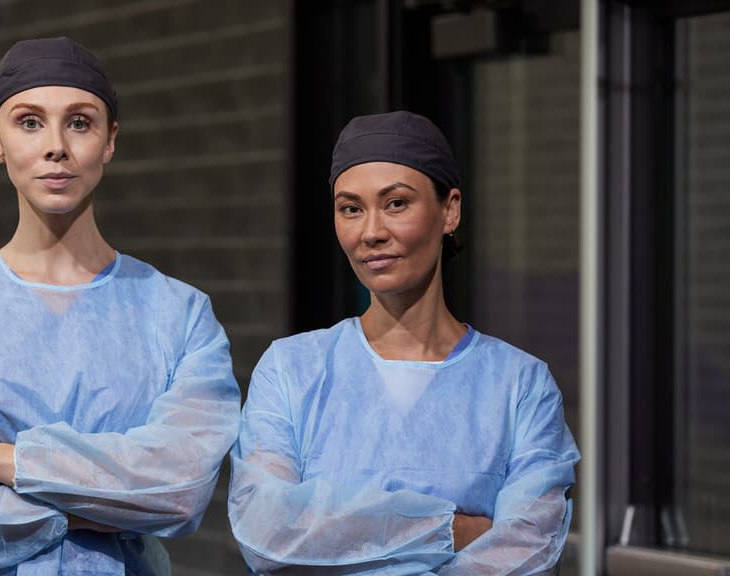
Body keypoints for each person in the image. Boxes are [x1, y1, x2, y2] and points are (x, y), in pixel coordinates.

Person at [0, 37, 240, 575]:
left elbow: (178, 487)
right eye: (29, 122)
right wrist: (92, 507)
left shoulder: (179, 315)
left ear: (110, 141)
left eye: (80, 123)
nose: (56, 145)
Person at [228, 111, 580, 574]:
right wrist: (450, 529)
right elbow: (266, 529)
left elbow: (525, 554)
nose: (371, 232)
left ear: (449, 210)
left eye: (396, 203)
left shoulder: (520, 386)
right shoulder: (293, 369)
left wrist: (337, 534)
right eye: (350, 208)